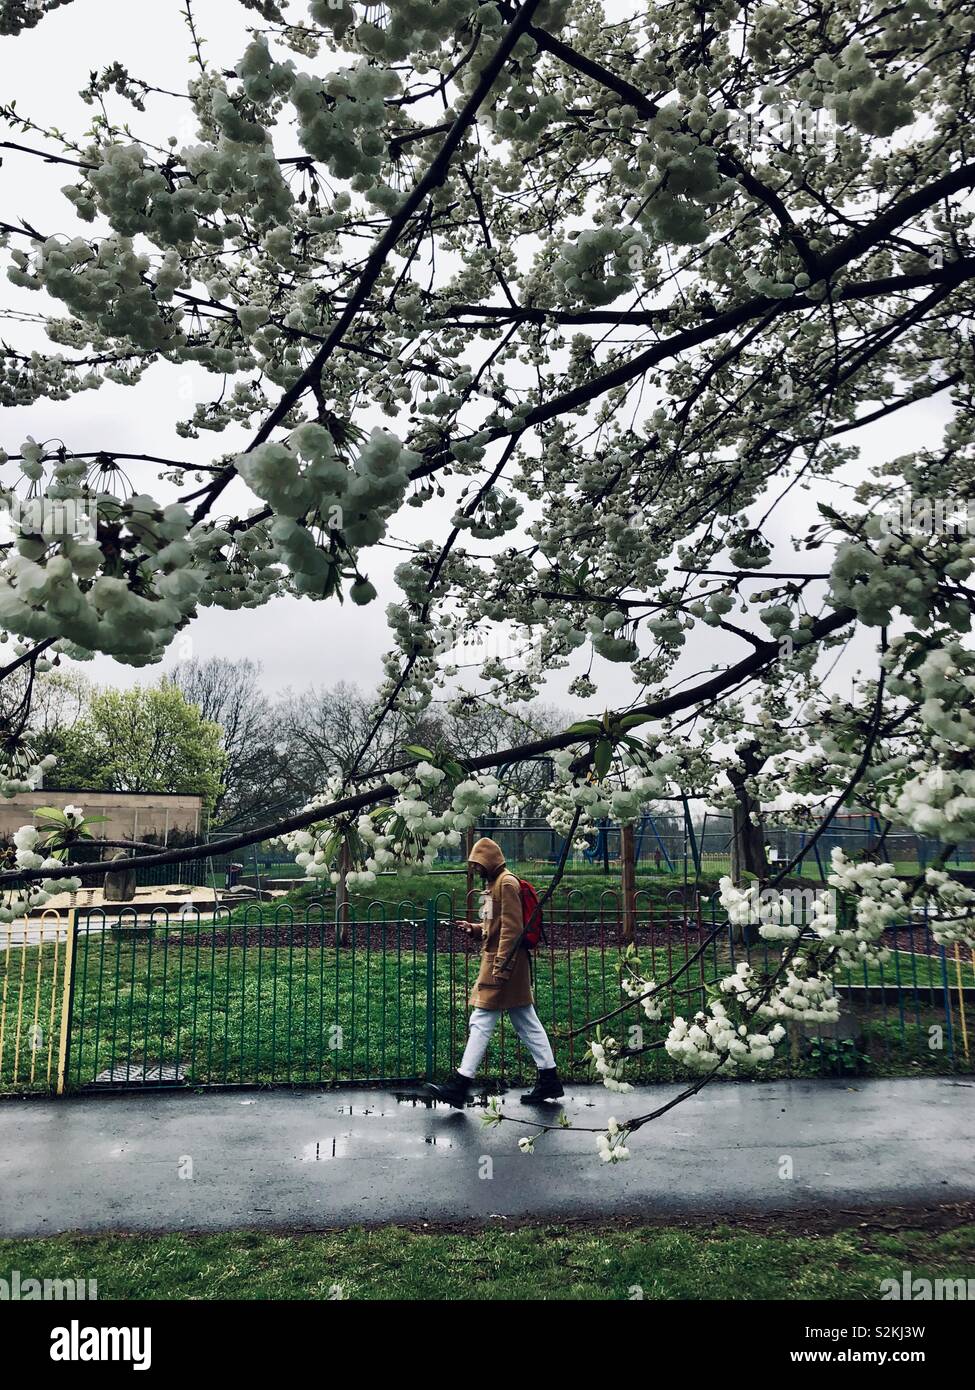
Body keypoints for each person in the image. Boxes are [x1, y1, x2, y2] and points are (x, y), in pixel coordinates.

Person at [425, 836, 563, 1108]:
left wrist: (502, 966)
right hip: (504, 963)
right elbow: (494, 926)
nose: (475, 870)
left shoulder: (506, 883)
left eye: (478, 865)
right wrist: (475, 929)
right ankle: (549, 1078)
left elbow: (512, 929)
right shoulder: (493, 886)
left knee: (481, 1021)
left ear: (490, 862)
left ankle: (461, 1084)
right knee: (526, 1022)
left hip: (502, 965)